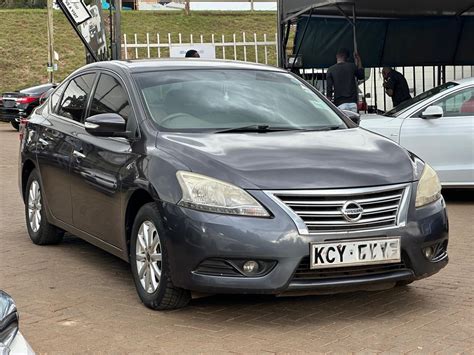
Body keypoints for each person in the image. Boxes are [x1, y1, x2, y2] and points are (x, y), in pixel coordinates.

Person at [326, 48, 364, 113]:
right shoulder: (352, 66)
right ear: (347, 58)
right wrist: (359, 60)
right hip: (352, 103)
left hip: (339, 103)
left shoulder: (331, 70)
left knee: (344, 123)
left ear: (336, 56)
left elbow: (329, 89)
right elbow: (361, 76)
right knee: (353, 123)